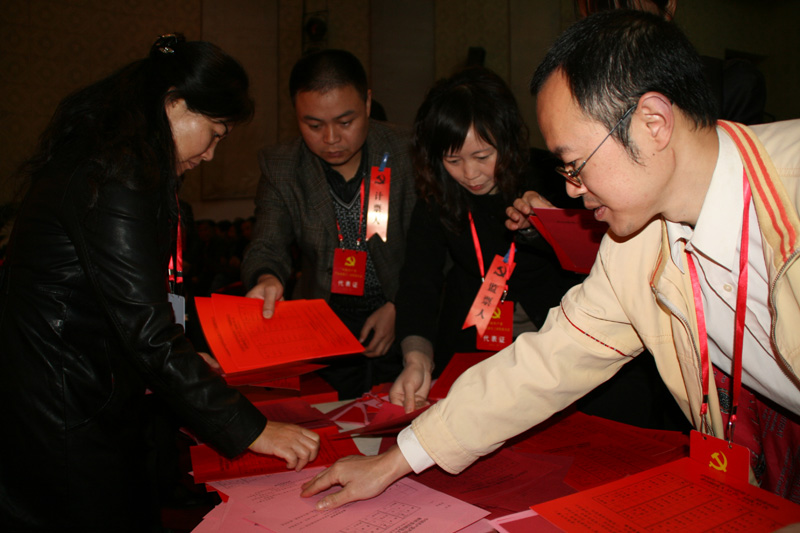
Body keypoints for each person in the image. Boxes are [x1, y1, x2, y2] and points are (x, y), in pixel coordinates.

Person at [300, 10, 800, 508]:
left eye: (575, 164)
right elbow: (547, 363)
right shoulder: (635, 243)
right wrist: (394, 462)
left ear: (653, 123)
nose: (571, 188)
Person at [0, 34, 320, 532]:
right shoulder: (114, 177)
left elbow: (149, 294)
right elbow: (146, 329)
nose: (211, 154)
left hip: (89, 388)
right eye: (214, 133)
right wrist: (251, 429)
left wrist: (189, 351)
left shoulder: (127, 164)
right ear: (174, 103)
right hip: (63, 407)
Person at [390, 66, 578, 413]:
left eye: (482, 157)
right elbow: (419, 280)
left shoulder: (551, 177)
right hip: (470, 342)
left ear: (506, 140)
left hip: (552, 340)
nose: (470, 174)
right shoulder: (438, 194)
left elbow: (590, 263)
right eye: (453, 160)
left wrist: (544, 227)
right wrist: (416, 356)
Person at [241, 49, 416, 399]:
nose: (331, 138)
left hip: (402, 308)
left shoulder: (406, 152)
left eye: (345, 122)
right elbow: (267, 243)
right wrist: (267, 278)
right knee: (332, 415)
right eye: (314, 125)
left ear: (367, 103)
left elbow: (431, 245)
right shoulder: (282, 166)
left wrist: (400, 306)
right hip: (325, 321)